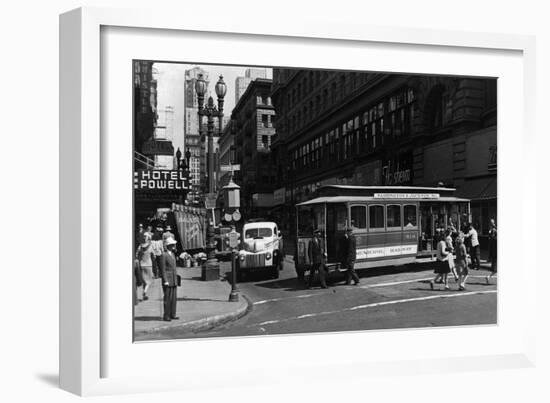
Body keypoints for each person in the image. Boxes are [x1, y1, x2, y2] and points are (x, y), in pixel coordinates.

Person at [159, 237, 179, 321]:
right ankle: (166, 315)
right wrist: (165, 280)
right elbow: (163, 269)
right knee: (167, 298)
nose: (174, 246)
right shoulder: (164, 255)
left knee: (173, 298)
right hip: (168, 279)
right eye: (172, 244)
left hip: (174, 279)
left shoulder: (173, 254)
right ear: (168, 245)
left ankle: (172, 314)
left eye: (173, 244)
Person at [486, 220, 497, 284]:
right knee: (496, 269)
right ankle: (488, 277)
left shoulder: (492, 240)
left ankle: (488, 277)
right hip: (495, 255)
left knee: (496, 269)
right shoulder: (495, 240)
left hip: (494, 255)